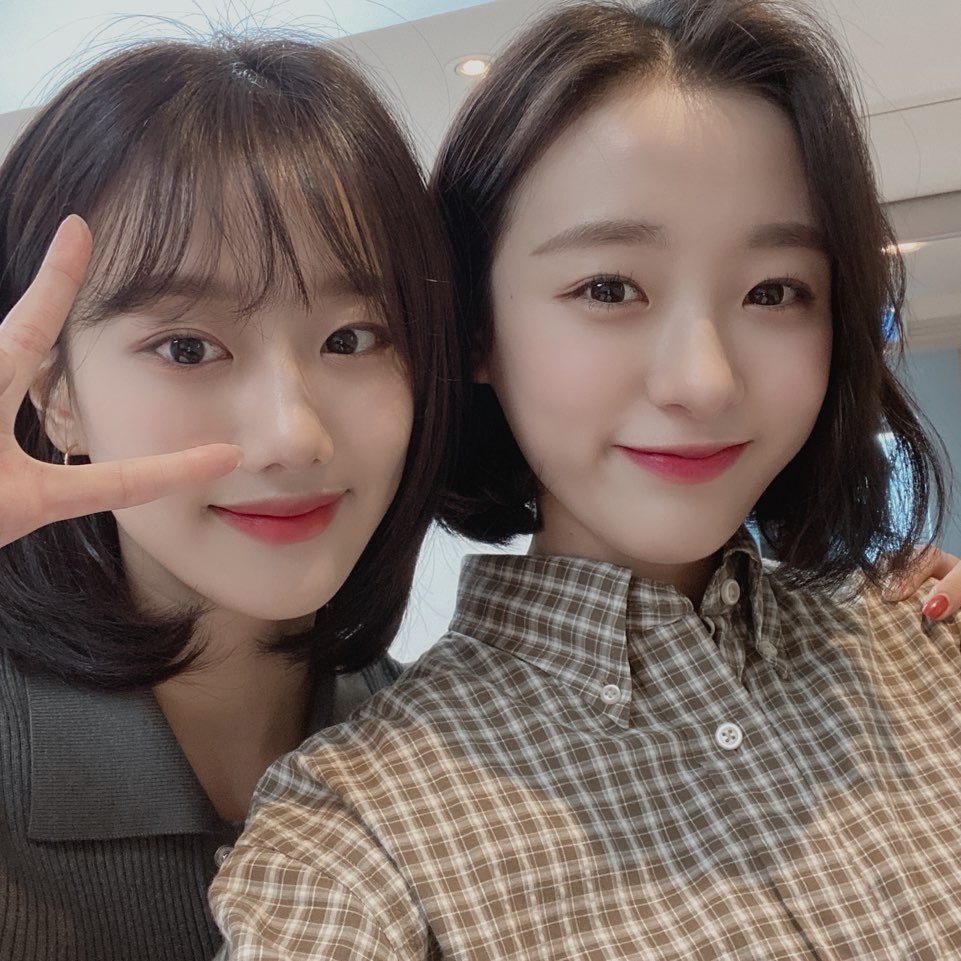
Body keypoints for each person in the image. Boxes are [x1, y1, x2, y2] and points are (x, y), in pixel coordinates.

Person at [210, 1, 961, 958]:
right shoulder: (353, 835)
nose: (702, 381)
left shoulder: (923, 647)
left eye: (774, 291)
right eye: (608, 288)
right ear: (474, 326)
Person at [0, 34, 456, 961]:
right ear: (57, 396)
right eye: (187, 347)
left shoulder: (449, 762)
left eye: (352, 338)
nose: (292, 435)